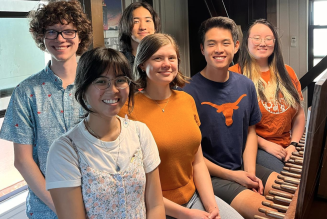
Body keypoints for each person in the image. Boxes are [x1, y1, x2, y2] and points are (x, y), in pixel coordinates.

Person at [119, 33, 243, 219]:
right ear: (142, 64)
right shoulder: (127, 110)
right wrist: (186, 214)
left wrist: (211, 206)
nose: (166, 64)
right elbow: (134, 183)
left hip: (194, 198)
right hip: (155, 207)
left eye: (172, 58)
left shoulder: (187, 100)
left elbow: (198, 162)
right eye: (158, 58)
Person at [0, 0, 92, 218]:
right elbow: (22, 160)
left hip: (96, 201)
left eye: (68, 31)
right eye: (52, 31)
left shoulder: (96, 85)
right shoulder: (26, 92)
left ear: (80, 36)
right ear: (42, 36)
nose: (60, 39)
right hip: (47, 208)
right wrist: (61, 208)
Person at [45, 47, 165, 219]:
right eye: (101, 81)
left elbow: (155, 205)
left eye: (120, 80)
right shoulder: (65, 151)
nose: (113, 89)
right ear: (83, 88)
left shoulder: (140, 133)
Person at [183, 17, 279, 219]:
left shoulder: (245, 85)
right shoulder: (187, 92)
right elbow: (190, 155)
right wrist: (235, 176)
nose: (219, 49)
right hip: (212, 176)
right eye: (212, 44)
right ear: (202, 49)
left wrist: (250, 173)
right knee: (271, 213)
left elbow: (251, 131)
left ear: (236, 46)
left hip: (243, 166)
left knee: (292, 194)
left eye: (225, 43)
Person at [229, 19, 305, 173]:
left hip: (287, 145)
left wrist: (294, 144)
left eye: (268, 38)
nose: (262, 43)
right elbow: (232, 125)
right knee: (286, 179)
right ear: (246, 42)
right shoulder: (234, 74)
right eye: (256, 38)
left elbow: (299, 114)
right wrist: (265, 144)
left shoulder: (287, 72)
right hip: (254, 147)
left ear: (275, 43)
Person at [118, 1, 161, 68]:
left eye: (147, 21)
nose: (143, 27)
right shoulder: (118, 62)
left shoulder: (164, 58)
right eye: (136, 22)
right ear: (126, 26)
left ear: (155, 26)